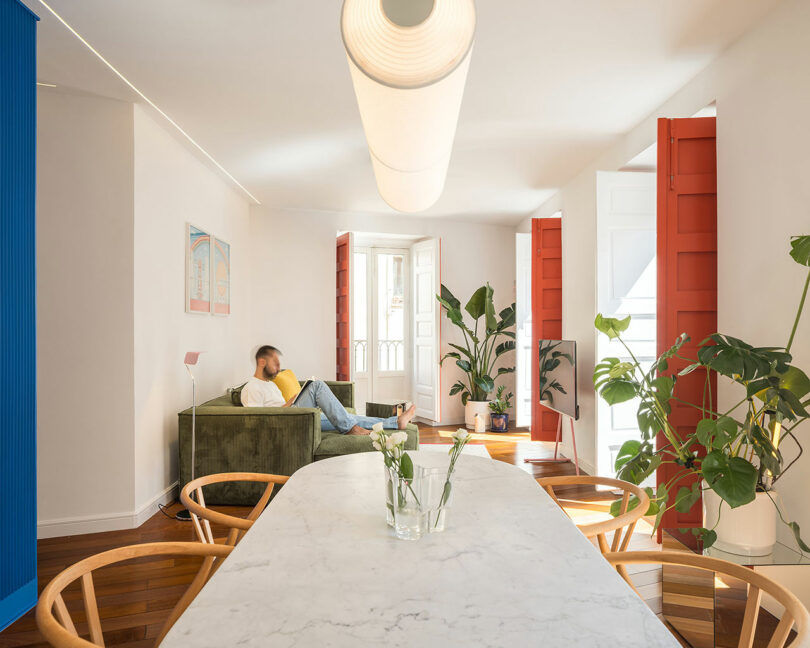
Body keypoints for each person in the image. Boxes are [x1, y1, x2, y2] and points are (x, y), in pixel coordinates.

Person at [241, 345, 415, 436]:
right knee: (317, 386)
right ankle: (350, 429)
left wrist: (293, 400)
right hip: (285, 422)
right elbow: (257, 420)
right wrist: (287, 405)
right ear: (262, 362)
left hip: (295, 416)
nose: (279, 368)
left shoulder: (270, 384)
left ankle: (395, 422)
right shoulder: (251, 388)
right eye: (275, 363)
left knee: (348, 417)